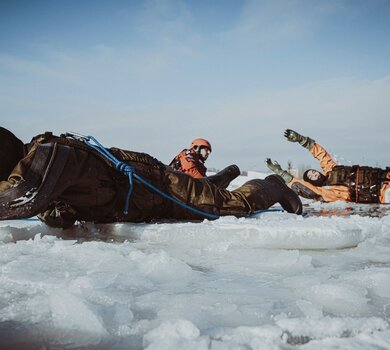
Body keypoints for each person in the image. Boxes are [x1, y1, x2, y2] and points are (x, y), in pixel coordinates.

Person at [0, 127, 302, 229]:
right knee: (209, 194)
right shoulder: (40, 171)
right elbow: (52, 210)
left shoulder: (47, 153)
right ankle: (216, 184)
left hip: (159, 185)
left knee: (229, 206)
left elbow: (22, 199)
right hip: (143, 205)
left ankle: (271, 186)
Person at [266, 129, 390, 204]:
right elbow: (305, 188)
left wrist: (302, 140)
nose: (315, 174)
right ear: (312, 183)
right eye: (311, 176)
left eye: (313, 172)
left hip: (386, 176)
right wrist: (283, 174)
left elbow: (321, 155)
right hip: (384, 194)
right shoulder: (327, 191)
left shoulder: (331, 170)